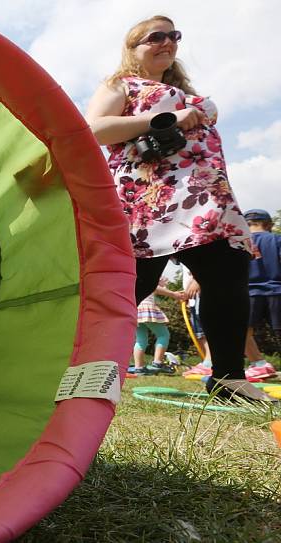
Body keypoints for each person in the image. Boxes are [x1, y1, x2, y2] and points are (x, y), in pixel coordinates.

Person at [85, 15, 275, 402]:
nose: (167, 42)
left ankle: (228, 377)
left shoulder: (185, 90)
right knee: (130, 284)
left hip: (204, 196)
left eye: (173, 36)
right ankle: (88, 368)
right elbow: (94, 129)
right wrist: (161, 117)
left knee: (228, 273)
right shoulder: (121, 84)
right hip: (148, 197)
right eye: (155, 36)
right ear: (133, 46)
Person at [242, 209, 280, 381]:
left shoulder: (241, 241)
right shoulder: (276, 239)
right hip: (277, 290)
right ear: (269, 225)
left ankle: (258, 364)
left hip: (249, 292)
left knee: (242, 330)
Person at [130, 280, 186, 376]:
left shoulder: (134, 276)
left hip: (135, 309)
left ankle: (139, 368)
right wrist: (173, 294)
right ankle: (158, 363)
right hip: (146, 307)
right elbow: (154, 287)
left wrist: (161, 284)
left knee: (140, 339)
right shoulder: (146, 276)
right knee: (163, 335)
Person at [180, 266, 213, 377]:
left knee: (205, 327)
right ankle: (207, 361)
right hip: (193, 297)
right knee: (199, 332)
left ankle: (209, 363)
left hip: (201, 292)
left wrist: (196, 280)